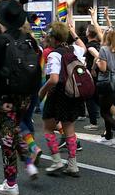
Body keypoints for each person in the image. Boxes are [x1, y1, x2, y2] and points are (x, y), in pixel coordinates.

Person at [0, 0, 40, 194]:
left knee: (6, 139)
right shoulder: (29, 39)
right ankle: (29, 163)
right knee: (15, 129)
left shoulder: (0, 41)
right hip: (26, 96)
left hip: (5, 98)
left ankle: (11, 183)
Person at [39, 21, 84, 176]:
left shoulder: (54, 54)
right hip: (73, 93)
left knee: (47, 127)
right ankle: (72, 164)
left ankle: (57, 160)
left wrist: (42, 92)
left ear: (53, 37)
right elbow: (83, 47)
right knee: (69, 129)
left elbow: (53, 79)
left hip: (58, 94)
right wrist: (73, 32)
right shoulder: (75, 49)